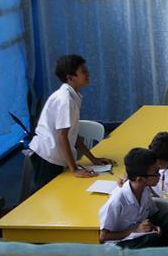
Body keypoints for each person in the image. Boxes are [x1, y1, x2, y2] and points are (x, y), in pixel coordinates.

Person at [28, 54, 113, 190]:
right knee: (45, 194)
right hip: (47, 156)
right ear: (70, 77)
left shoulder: (74, 96)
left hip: (55, 155)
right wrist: (75, 170)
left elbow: (73, 135)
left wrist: (93, 159)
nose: (87, 73)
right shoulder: (65, 100)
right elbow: (63, 136)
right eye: (83, 71)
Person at [98, 148, 168, 248]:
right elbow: (103, 236)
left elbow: (150, 215)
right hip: (122, 243)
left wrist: (152, 226)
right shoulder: (117, 201)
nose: (159, 176)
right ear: (140, 179)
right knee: (151, 239)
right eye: (156, 173)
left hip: (142, 234)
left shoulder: (145, 190)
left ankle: (164, 253)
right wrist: (135, 229)